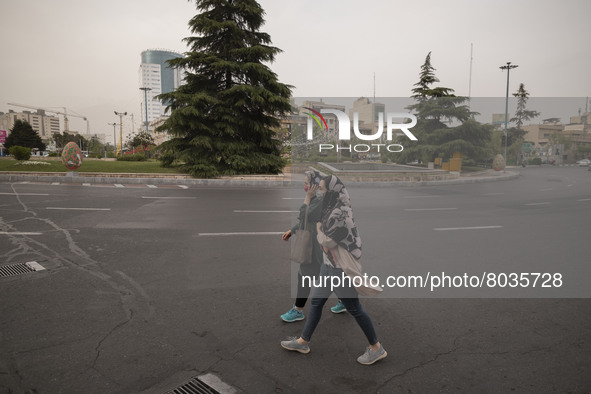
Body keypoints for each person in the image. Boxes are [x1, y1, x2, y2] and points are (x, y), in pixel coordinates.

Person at [281, 175, 387, 365]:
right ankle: (303, 341)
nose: (321, 192)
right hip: (328, 266)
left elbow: (328, 240)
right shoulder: (331, 206)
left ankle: (376, 348)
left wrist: (320, 230)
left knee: (355, 309)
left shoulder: (341, 211)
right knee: (316, 303)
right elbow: (309, 220)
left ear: (332, 191)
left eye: (323, 189)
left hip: (340, 270)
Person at [281, 171, 345, 323]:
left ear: (315, 185)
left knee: (304, 276)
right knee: (327, 276)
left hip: (316, 246)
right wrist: (293, 229)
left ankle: (298, 310)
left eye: (307, 183)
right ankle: (345, 300)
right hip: (315, 243)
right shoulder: (319, 198)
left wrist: (307, 198)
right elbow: (306, 221)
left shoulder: (320, 200)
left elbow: (305, 215)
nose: (305, 186)